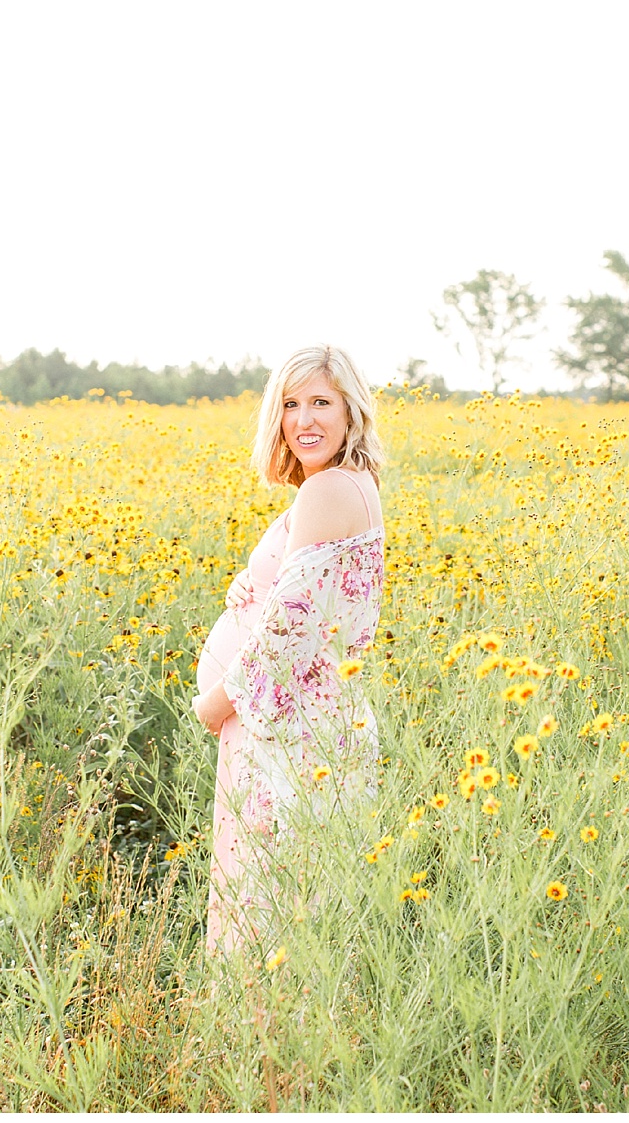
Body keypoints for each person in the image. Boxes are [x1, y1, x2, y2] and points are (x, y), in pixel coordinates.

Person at [189, 345, 384, 957]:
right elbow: (300, 597)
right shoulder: (346, 484)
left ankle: (268, 1051)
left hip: (290, 730)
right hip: (306, 724)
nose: (304, 420)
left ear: (351, 411)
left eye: (321, 402)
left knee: (271, 916)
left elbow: (287, 634)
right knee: (300, 914)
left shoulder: (327, 490)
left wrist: (215, 704)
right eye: (291, 404)